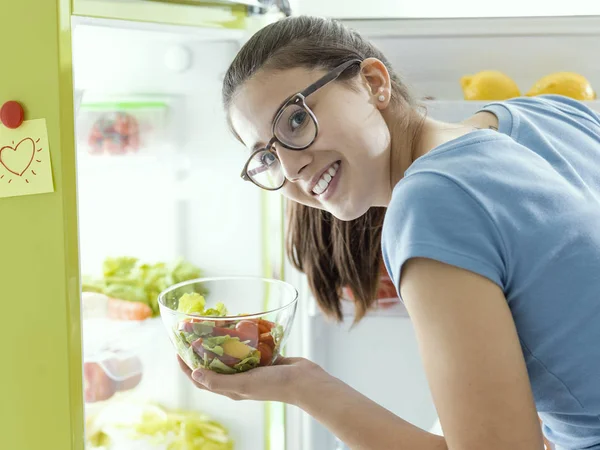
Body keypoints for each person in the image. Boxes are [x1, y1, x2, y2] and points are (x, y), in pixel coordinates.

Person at [177, 16, 600, 450]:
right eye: (266, 157)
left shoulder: (430, 203)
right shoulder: (546, 113)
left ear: (373, 83)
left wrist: (304, 387)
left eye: (296, 122)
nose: (290, 168)